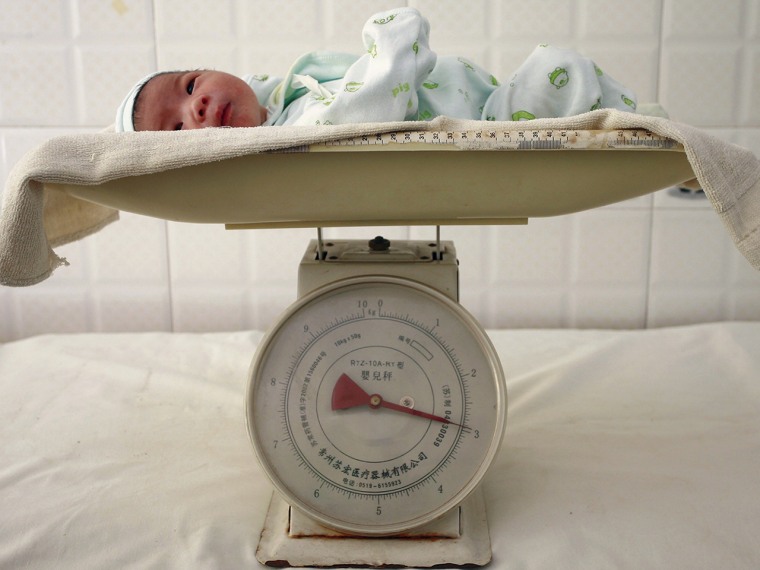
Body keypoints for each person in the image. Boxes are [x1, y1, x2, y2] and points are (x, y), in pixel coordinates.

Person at [115, 7, 637, 132]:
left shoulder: (285, 93)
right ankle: (643, 128)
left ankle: (641, 125)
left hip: (488, 98)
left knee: (560, 66)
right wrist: (391, 40)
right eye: (178, 126)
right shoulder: (297, 133)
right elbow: (368, 108)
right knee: (556, 69)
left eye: (188, 86)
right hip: (493, 121)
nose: (197, 104)